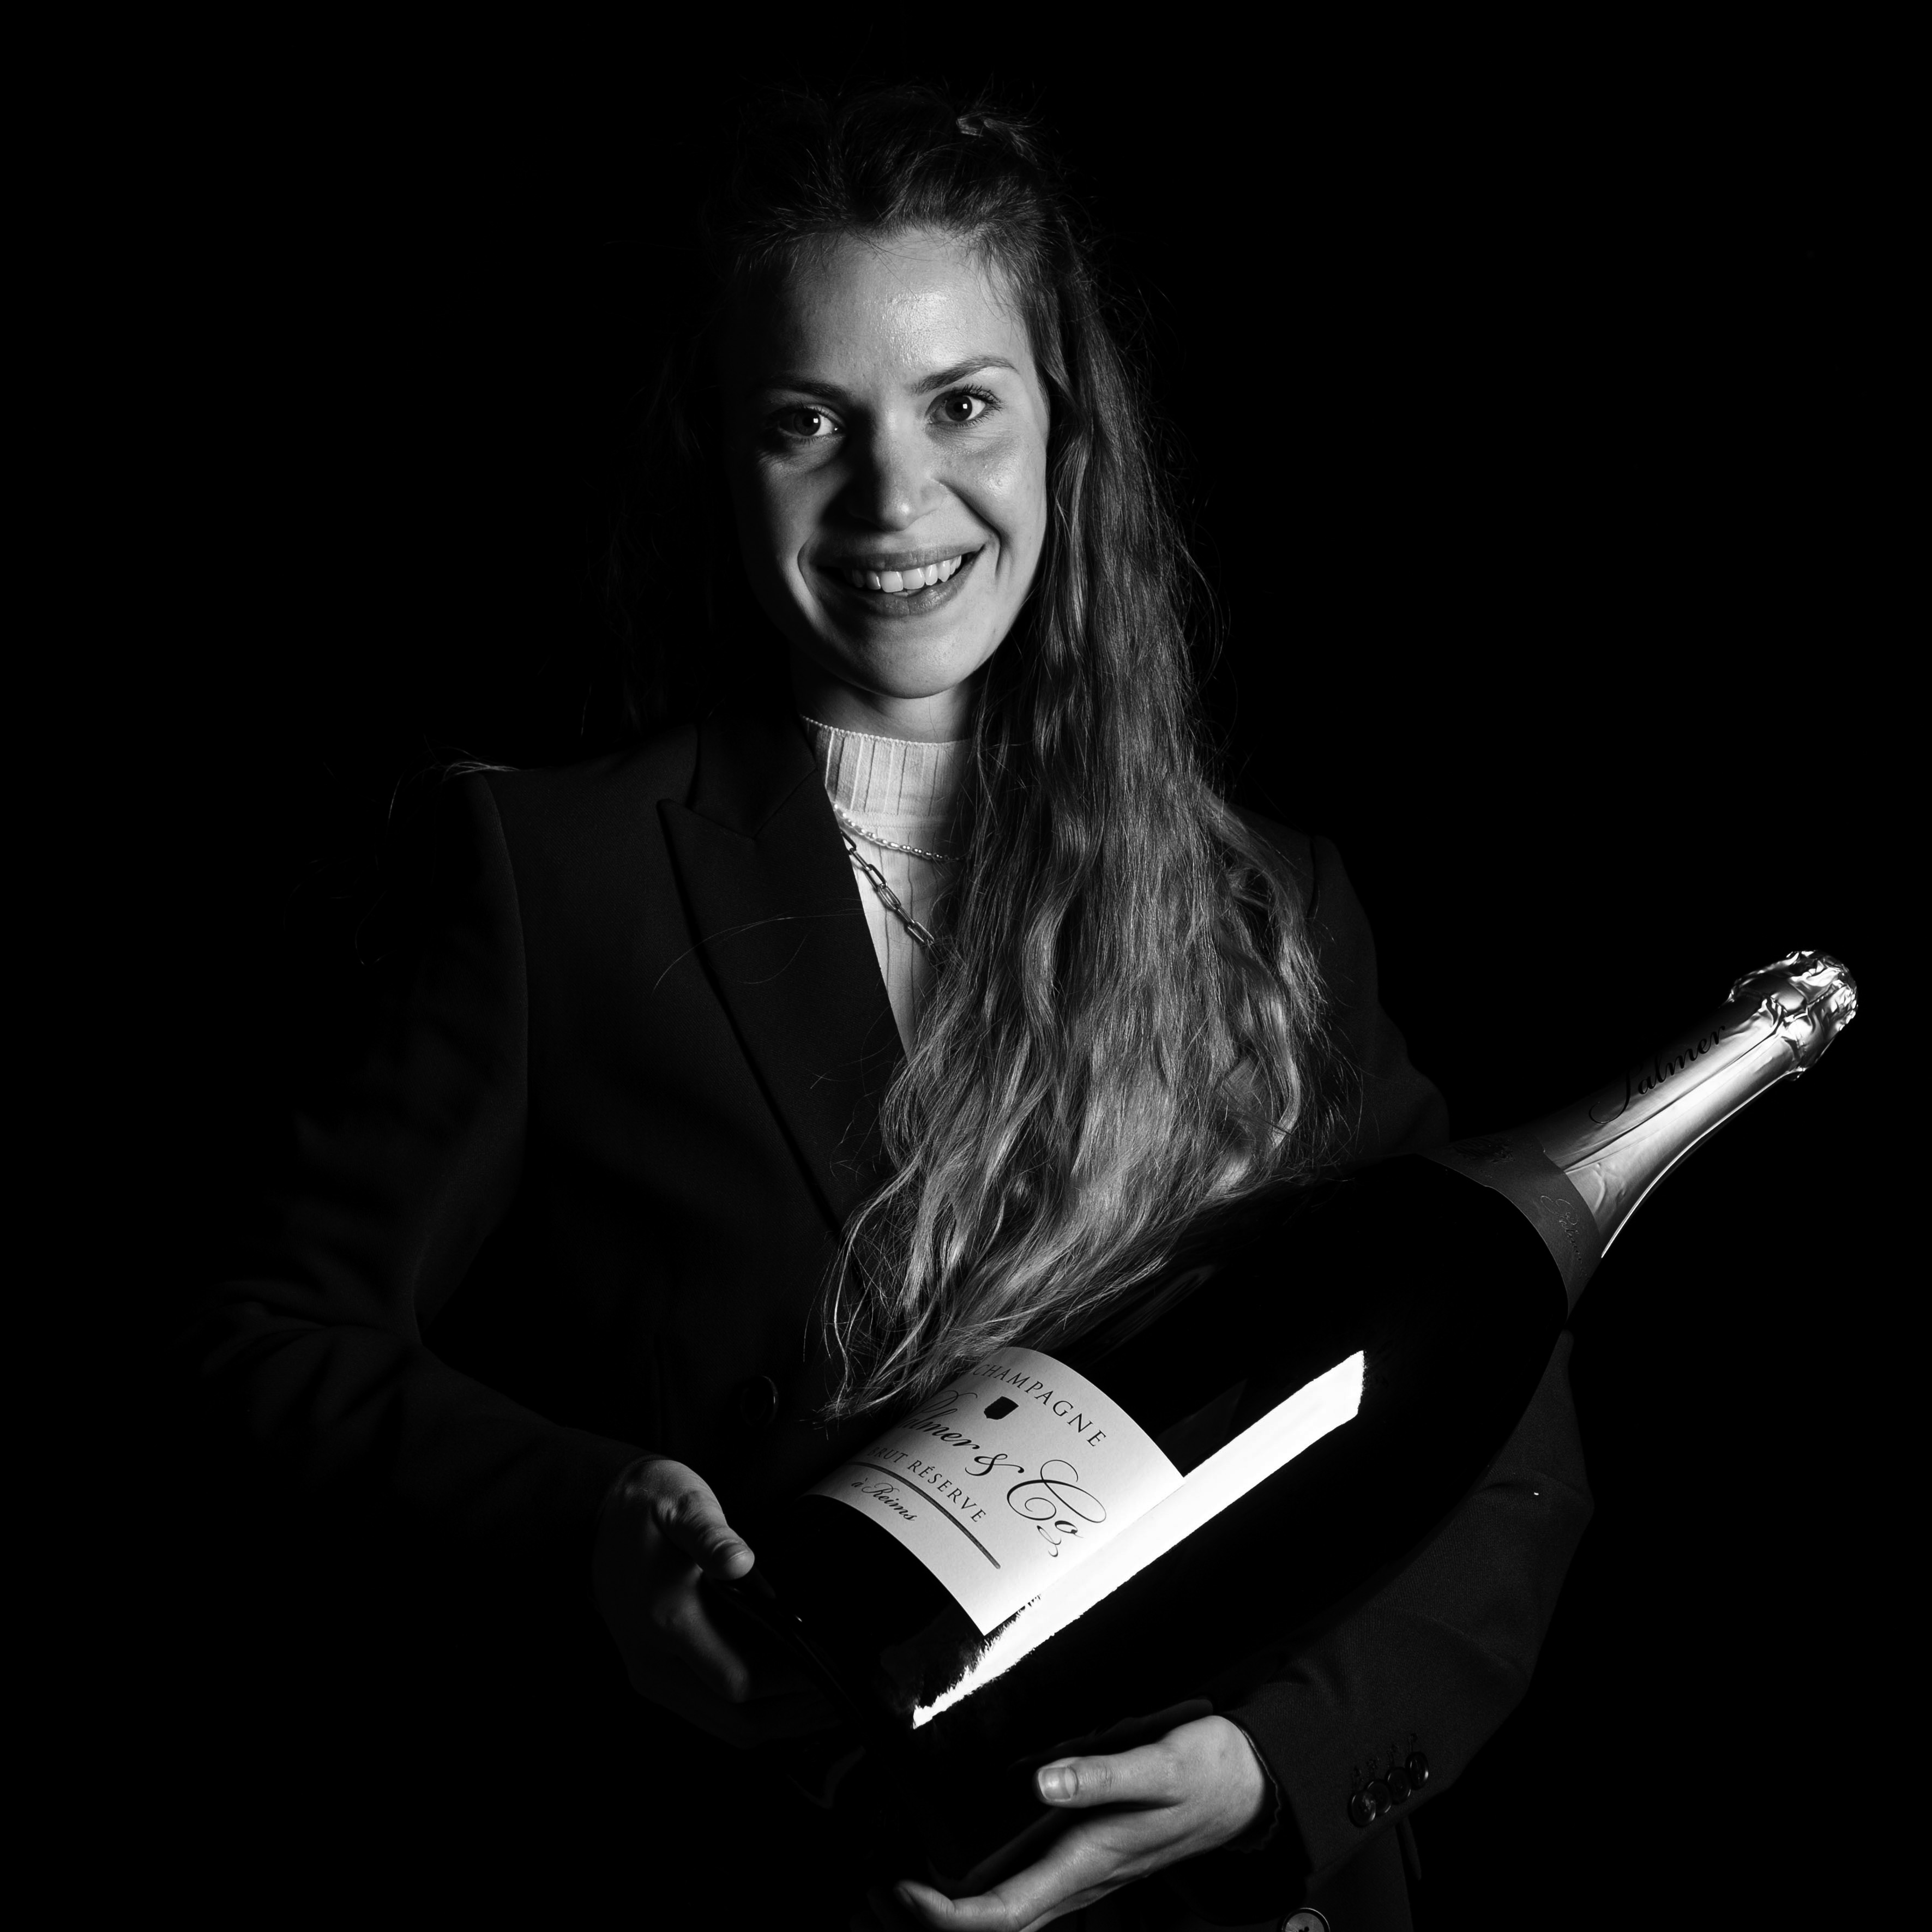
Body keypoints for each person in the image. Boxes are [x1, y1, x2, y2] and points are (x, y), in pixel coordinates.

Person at [187, 86, 1592, 1931]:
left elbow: (1501, 1410)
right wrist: (597, 1526)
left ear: (1064, 427)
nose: (894, 496)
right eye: (808, 422)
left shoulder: (1267, 900)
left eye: (962, 405)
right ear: (718, 456)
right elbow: (264, 1339)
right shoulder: (553, 873)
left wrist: (1286, 1764)